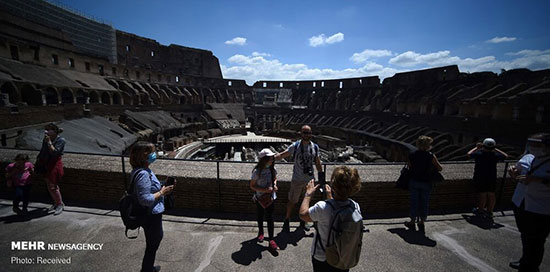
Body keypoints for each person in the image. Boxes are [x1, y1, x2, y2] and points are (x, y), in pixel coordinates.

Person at [299, 166, 362, 272]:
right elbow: (338, 208)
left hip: (322, 257)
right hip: (343, 257)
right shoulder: (355, 206)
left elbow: (303, 214)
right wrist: (330, 197)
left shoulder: (322, 207)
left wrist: (308, 194)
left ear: (333, 185)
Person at [508, 133, 550, 272]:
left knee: (537, 240)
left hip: (541, 208)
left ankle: (531, 267)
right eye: (532, 144)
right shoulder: (527, 158)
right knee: (526, 237)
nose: (533, 147)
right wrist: (512, 172)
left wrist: (537, 180)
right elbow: (517, 172)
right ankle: (525, 261)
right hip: (521, 203)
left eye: (538, 145)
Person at [130, 141, 174, 272]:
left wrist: (162, 184)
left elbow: (148, 188)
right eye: (152, 152)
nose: (154, 154)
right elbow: (145, 199)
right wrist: (162, 192)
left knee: (152, 243)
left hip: (150, 214)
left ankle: (148, 268)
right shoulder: (143, 174)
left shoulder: (142, 170)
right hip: (151, 215)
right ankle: (147, 270)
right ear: (144, 156)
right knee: (153, 244)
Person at [275, 125, 323, 232]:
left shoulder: (315, 147)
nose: (306, 135)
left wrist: (321, 176)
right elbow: (283, 155)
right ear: (301, 134)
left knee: (306, 201)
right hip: (297, 179)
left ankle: (303, 220)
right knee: (292, 201)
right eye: (304, 132)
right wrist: (269, 159)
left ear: (311, 133)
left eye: (308, 132)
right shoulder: (295, 146)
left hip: (309, 180)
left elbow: (317, 162)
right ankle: (287, 219)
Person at [404, 135, 443, 232]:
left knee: (414, 202)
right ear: (427, 146)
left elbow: (409, 166)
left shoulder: (412, 154)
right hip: (426, 182)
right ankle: (422, 221)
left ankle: (412, 221)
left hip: (414, 181)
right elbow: (440, 168)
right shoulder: (431, 156)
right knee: (424, 202)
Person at [467, 138, 508, 219]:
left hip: (480, 176)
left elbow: (468, 154)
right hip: (492, 177)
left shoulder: (479, 154)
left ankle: (481, 210)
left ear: (484, 146)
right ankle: (490, 211)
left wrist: (477, 147)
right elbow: (506, 155)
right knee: (491, 194)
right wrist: (495, 148)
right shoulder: (495, 155)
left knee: (482, 194)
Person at [250, 148, 279, 251]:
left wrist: (274, 185)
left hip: (271, 197)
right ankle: (261, 232)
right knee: (260, 216)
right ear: (264, 160)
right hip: (260, 198)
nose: (272, 161)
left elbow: (275, 178)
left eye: (272, 159)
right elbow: (252, 186)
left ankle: (271, 239)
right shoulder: (257, 172)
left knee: (270, 218)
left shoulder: (272, 169)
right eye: (270, 159)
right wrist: (265, 190)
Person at [36, 123, 66, 215]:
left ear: (54, 131)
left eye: (49, 130)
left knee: (53, 185)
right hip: (46, 163)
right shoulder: (45, 140)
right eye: (46, 129)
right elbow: (43, 151)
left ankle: (60, 204)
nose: (47, 131)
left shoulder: (61, 140)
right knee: (49, 185)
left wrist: (49, 141)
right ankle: (56, 202)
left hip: (54, 164)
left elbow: (54, 152)